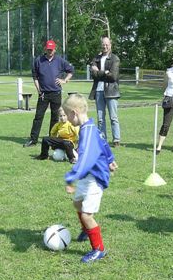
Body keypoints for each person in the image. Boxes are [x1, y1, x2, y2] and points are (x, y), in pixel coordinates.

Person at [63, 94, 117, 263]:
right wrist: (110, 159)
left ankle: (98, 249)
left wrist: (71, 178)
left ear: (74, 113)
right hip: (88, 176)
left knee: (87, 214)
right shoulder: (91, 126)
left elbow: (85, 159)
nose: (68, 121)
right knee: (77, 203)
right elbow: (104, 143)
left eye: (67, 116)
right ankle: (87, 230)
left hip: (95, 178)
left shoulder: (87, 133)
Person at [24, 40, 74, 147]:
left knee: (55, 118)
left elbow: (71, 71)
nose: (50, 51)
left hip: (56, 93)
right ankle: (33, 140)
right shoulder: (38, 61)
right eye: (48, 49)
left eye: (51, 49)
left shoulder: (60, 60)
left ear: (54, 49)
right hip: (43, 94)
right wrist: (39, 90)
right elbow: (35, 77)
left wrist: (64, 81)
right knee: (38, 117)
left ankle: (52, 140)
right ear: (45, 49)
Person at [89, 36, 121, 147]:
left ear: (110, 45)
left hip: (111, 91)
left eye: (107, 44)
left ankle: (116, 140)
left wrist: (99, 72)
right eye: (103, 44)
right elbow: (93, 74)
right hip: (98, 91)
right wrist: (105, 72)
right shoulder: (96, 58)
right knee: (100, 118)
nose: (105, 46)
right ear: (101, 45)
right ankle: (103, 140)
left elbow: (113, 77)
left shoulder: (115, 58)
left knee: (113, 117)